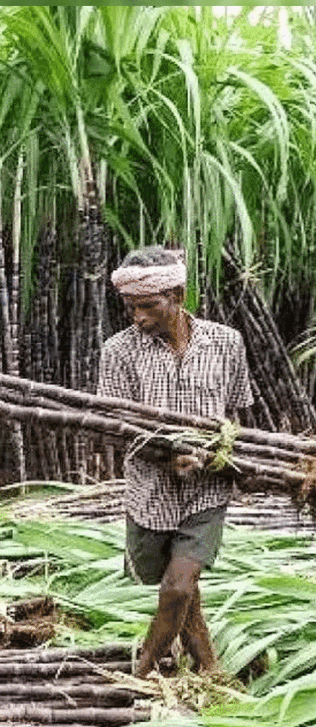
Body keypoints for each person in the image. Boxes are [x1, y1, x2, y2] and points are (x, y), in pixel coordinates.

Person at [97, 246, 253, 678]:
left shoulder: (226, 342)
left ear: (179, 295)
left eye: (149, 306)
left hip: (208, 490)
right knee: (178, 591)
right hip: (150, 492)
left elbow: (237, 414)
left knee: (178, 585)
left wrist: (218, 456)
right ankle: (209, 668)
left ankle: (142, 671)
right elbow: (119, 427)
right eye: (131, 308)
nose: (139, 317)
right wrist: (168, 458)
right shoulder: (118, 351)